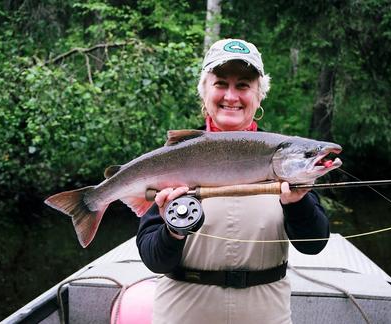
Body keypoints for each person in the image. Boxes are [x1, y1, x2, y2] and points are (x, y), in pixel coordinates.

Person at [136, 38, 330, 324]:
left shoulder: (287, 159)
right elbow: (154, 260)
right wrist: (173, 231)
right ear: (203, 92)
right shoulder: (170, 160)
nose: (231, 95)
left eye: (243, 85)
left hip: (266, 314)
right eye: (220, 84)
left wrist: (298, 204)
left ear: (259, 95)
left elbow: (314, 244)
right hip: (183, 314)